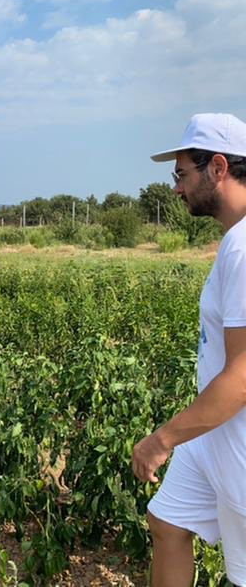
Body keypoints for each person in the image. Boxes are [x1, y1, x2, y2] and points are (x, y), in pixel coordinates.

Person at [137, 113, 246, 586]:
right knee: (167, 522)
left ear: (218, 168)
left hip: (240, 442)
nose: (177, 189)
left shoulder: (244, 247)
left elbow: (243, 376)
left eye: (182, 175)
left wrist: (162, 439)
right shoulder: (234, 242)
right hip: (214, 435)